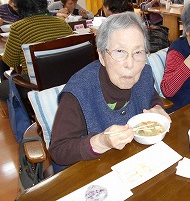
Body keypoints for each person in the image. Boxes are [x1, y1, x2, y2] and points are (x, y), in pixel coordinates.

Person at [49, 12, 170, 172]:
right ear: (101, 55)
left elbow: (151, 94)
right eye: (120, 51)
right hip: (89, 173)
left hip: (134, 164)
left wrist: (157, 108)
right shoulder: (78, 92)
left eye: (138, 52)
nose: (130, 64)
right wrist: (101, 142)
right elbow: (58, 151)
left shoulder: (144, 72)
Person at [0, 0, 74, 100]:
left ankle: (19, 117)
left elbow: (9, 61)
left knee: (2, 89)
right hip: (67, 83)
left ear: (20, 5)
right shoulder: (62, 23)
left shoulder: (18, 28)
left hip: (36, 88)